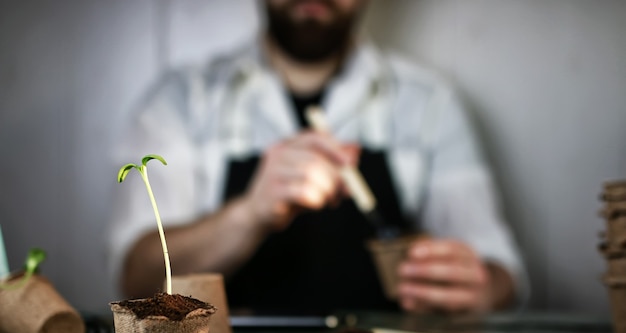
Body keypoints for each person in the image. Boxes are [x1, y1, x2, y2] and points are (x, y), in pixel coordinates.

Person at [108, 0, 528, 314]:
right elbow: (136, 279)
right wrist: (249, 213)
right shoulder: (182, 100)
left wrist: (481, 286)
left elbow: (503, 274)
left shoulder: (430, 104)